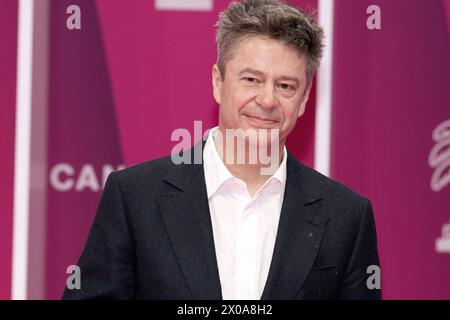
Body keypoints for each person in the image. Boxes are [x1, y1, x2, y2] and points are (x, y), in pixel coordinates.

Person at [62, 0, 381, 300]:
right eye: (252, 79)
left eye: (285, 86)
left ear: (304, 99)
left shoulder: (346, 218)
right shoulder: (135, 198)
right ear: (218, 82)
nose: (268, 101)